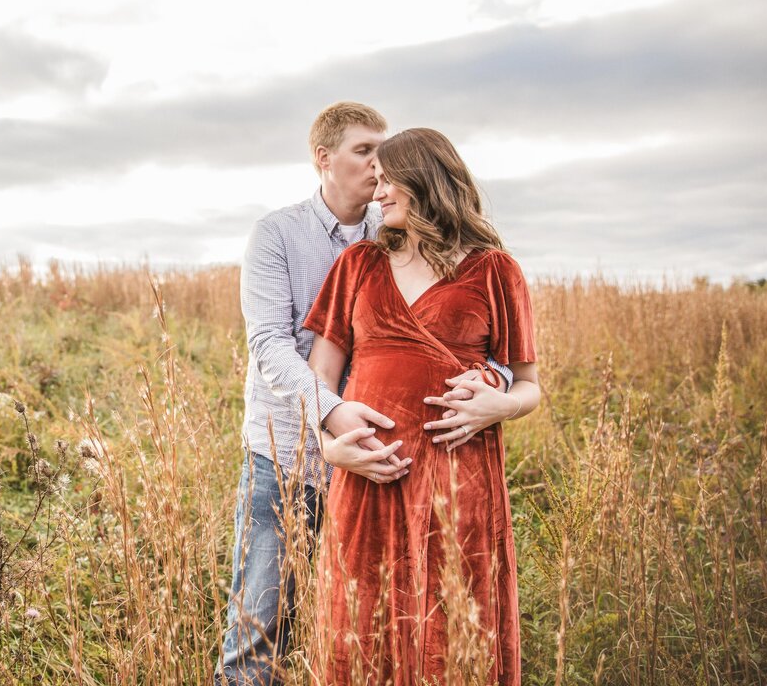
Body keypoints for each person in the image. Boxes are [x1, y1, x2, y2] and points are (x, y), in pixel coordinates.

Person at [216, 105, 516, 686]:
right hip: (289, 456)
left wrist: (494, 383)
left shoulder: (402, 234)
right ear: (323, 160)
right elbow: (271, 345)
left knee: (376, 617)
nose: (379, 165)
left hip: (390, 464)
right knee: (262, 623)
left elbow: (476, 343)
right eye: (363, 151)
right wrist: (330, 421)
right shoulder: (278, 234)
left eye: (385, 152)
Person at [305, 128, 540, 685]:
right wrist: (330, 447)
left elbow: (529, 385)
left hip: (460, 480)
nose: (377, 192)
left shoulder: (493, 269)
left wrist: (495, 408)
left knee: (455, 623)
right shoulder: (359, 264)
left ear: (424, 180)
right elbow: (320, 375)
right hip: (369, 473)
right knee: (361, 622)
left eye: (388, 180)